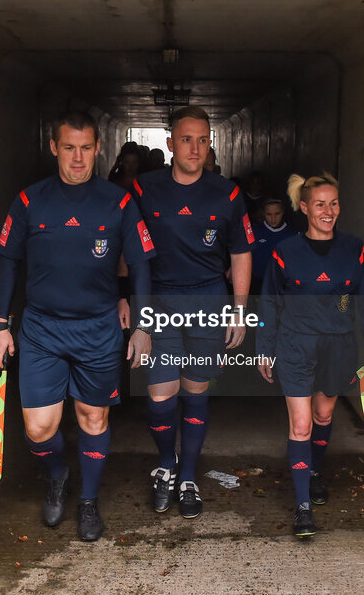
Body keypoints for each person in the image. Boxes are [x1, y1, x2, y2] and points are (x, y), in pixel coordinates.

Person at [0, 110, 155, 542]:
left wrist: (142, 325)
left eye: (86, 148)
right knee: (38, 428)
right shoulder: (30, 201)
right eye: (69, 148)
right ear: (54, 148)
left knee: (91, 417)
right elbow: (8, 262)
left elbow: (139, 265)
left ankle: (88, 501)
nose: (77, 158)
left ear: (98, 148)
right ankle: (59, 474)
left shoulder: (118, 202)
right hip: (42, 329)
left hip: (98, 328)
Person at [132, 106, 254, 518]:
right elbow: (125, 250)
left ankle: (187, 476)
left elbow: (240, 252)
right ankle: (166, 464)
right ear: (170, 144)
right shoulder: (143, 189)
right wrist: (123, 299)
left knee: (195, 390)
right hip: (159, 303)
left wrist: (238, 311)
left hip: (208, 304)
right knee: (161, 393)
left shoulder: (228, 193)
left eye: (203, 140)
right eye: (186, 139)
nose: (195, 148)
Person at [256, 172, 364, 538]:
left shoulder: (355, 250)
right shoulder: (285, 253)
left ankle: (314, 470)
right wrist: (265, 348)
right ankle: (303, 507)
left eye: (333, 203)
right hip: (295, 345)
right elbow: (269, 302)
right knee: (301, 424)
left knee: (324, 413)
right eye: (319, 204)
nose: (328, 211)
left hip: (338, 345)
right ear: (304, 207)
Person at [250, 199, 297, 296]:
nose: (273, 218)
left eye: (277, 214)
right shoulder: (255, 232)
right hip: (257, 283)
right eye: (269, 214)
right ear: (263, 213)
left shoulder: (293, 235)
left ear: (283, 212)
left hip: (282, 284)